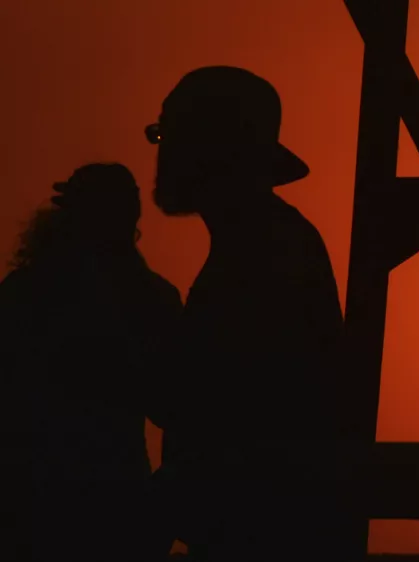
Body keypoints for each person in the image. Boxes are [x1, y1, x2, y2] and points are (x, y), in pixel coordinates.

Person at [145, 66, 345, 561]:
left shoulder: (265, 252)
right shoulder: (265, 241)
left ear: (211, 151)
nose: (161, 151)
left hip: (258, 531)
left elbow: (222, 404)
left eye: (168, 135)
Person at [1, 163, 182, 562]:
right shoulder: (153, 298)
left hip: (46, 509)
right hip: (101, 507)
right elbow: (174, 405)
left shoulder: (22, 294)